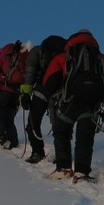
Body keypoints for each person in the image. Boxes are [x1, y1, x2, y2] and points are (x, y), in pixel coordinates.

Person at [37, 29, 104, 182]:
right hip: (92, 105)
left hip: (69, 103)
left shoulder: (64, 57)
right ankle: (81, 172)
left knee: (61, 131)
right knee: (85, 137)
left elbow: (49, 84)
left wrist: (52, 102)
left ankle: (64, 168)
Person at [20, 35, 67, 163]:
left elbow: (30, 73)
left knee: (33, 124)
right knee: (58, 126)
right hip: (59, 92)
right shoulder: (65, 54)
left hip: (41, 91)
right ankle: (61, 157)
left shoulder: (36, 51)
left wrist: (25, 94)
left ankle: (37, 153)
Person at [0, 40, 28, 149]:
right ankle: (13, 141)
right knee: (9, 118)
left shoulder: (3, 56)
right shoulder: (22, 58)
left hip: (2, 91)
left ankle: (2, 140)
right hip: (17, 94)